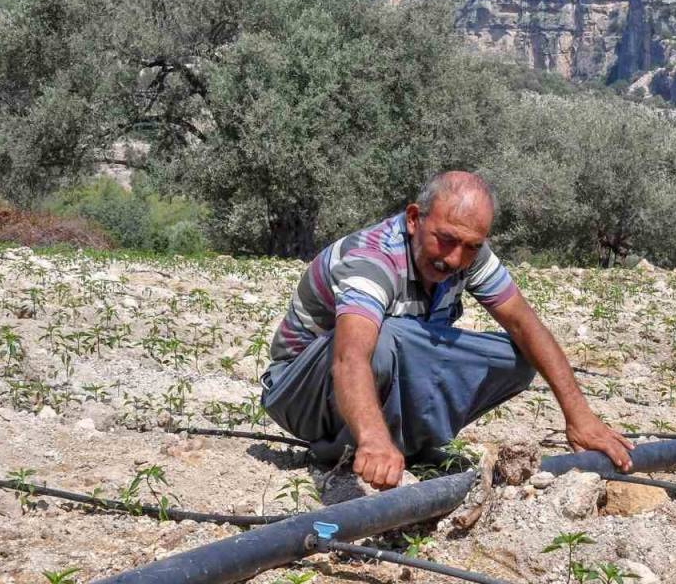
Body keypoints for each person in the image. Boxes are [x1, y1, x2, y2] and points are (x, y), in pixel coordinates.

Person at [260, 171, 634, 489]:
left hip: (380, 368)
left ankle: (406, 445)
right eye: (446, 239)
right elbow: (350, 357)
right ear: (413, 219)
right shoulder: (371, 260)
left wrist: (579, 416)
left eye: (470, 246)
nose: (454, 259)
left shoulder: (467, 255)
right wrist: (373, 439)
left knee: (517, 359)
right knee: (388, 339)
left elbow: (524, 324)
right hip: (300, 391)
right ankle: (349, 447)